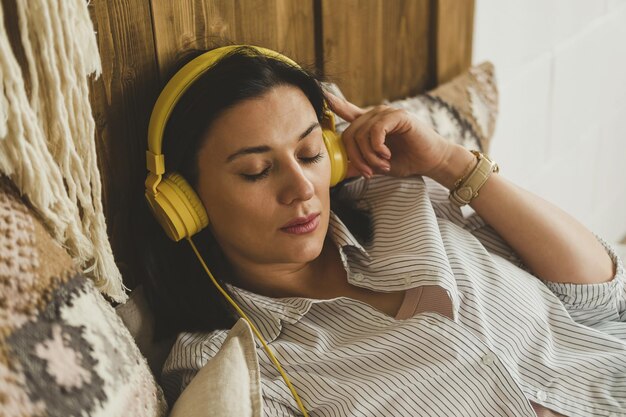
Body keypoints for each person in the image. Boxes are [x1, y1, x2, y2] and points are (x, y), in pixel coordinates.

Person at [137, 46, 626, 416]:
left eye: (310, 155)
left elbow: (599, 296)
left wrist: (449, 163)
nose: (302, 189)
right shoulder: (229, 366)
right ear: (187, 201)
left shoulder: (400, 196)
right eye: (257, 171)